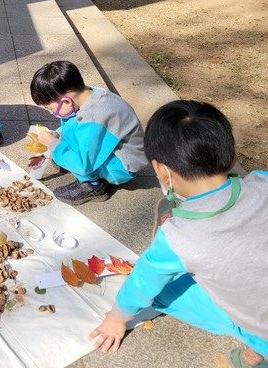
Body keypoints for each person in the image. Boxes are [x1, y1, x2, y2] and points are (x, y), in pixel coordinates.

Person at [88, 100, 268, 367]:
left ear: (161, 171)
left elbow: (142, 282)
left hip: (262, 331)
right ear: (231, 156)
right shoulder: (262, 180)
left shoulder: (178, 238)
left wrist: (116, 319)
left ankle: (257, 352)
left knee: (162, 290)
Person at [30, 60, 147, 205]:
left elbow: (83, 164)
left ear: (66, 101)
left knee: (73, 140)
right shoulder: (91, 94)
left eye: (50, 108)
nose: (51, 113)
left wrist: (54, 144)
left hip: (122, 167)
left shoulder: (94, 119)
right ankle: (67, 157)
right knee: (70, 126)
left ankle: (93, 185)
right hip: (119, 152)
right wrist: (58, 136)